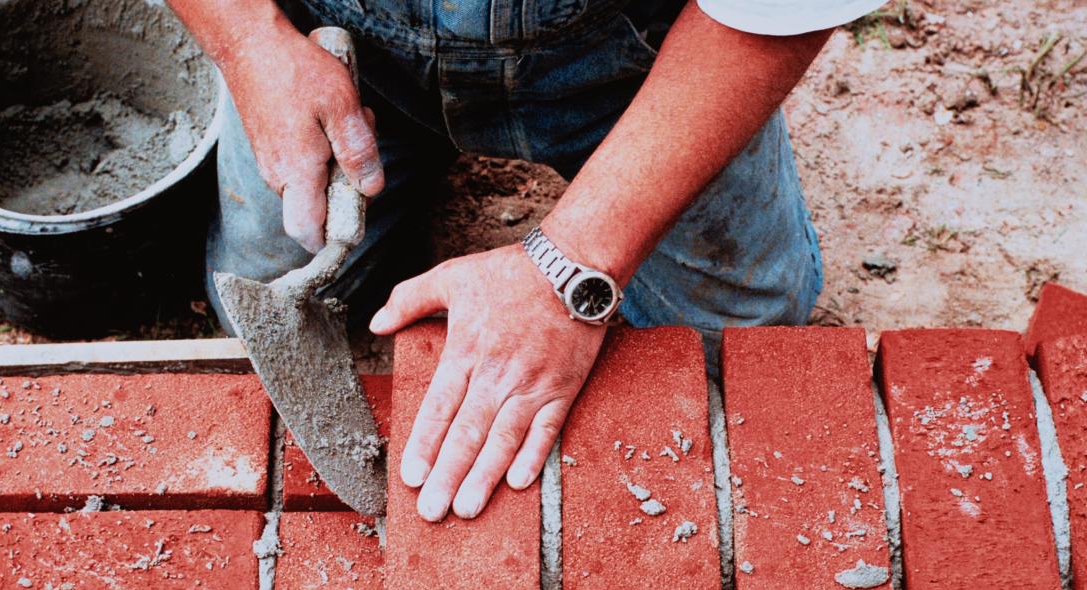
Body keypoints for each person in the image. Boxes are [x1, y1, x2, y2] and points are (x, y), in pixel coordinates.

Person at [167, 0, 885, 523]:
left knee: (745, 333)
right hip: (341, 47)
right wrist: (248, 40)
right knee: (259, 287)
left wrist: (570, 269)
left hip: (631, 51)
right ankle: (410, 156)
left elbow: (782, 9)